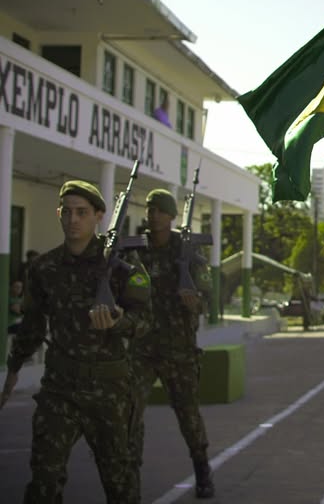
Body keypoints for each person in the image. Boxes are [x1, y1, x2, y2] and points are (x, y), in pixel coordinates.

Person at [1, 180, 151, 503]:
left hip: (109, 391)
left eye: (82, 212)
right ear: (59, 214)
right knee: (44, 480)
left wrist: (119, 321)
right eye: (67, 212)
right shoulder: (44, 268)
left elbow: (145, 322)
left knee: (120, 482)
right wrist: (13, 370)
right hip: (60, 389)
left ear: (98, 216)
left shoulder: (121, 264)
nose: (73, 220)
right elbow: (32, 326)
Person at [130, 189, 216, 498]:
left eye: (160, 211)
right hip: (142, 347)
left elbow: (208, 296)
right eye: (150, 210)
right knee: (130, 413)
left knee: (187, 414)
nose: (153, 216)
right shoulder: (135, 249)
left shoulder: (188, 250)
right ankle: (128, 474)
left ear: (171, 216)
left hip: (179, 349)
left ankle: (202, 469)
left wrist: (194, 302)